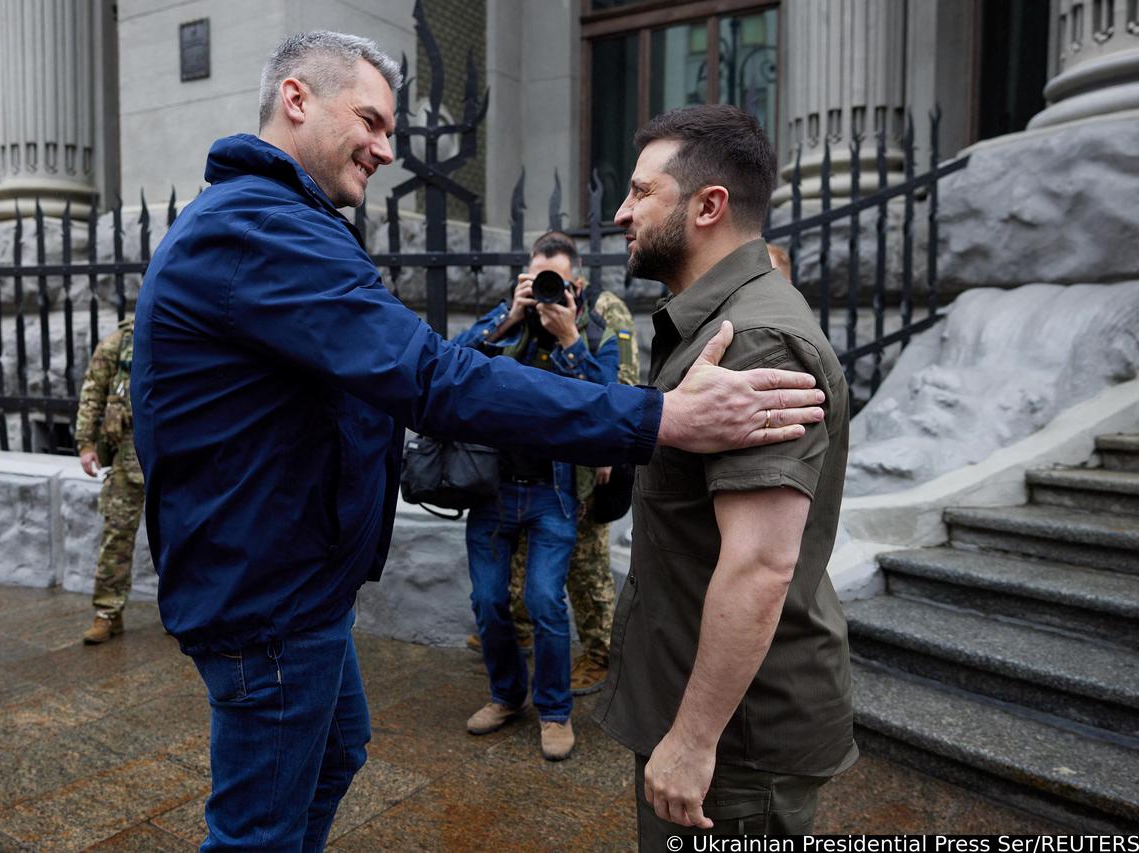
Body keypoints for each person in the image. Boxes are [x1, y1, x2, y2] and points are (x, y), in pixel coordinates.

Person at [131, 31, 826, 852]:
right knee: (258, 830)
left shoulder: (279, 221)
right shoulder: (260, 228)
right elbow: (425, 379)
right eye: (372, 121)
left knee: (333, 755)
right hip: (267, 595)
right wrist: (658, 417)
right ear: (295, 99)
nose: (388, 149)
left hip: (287, 580)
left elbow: (404, 370)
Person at [593, 104, 857, 843]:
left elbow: (762, 565)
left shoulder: (759, 339)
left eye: (641, 192)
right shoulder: (715, 323)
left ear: (709, 205)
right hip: (702, 711)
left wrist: (694, 738)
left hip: (734, 745)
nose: (621, 212)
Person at [453, 230, 630, 760]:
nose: (547, 290)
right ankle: (507, 696)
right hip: (492, 489)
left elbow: (606, 401)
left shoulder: (594, 329)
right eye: (536, 279)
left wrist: (571, 339)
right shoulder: (506, 318)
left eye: (556, 280)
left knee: (544, 602)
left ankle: (554, 712)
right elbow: (448, 367)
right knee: (488, 603)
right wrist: (509, 316)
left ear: (575, 282)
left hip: (553, 493)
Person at [73, 317, 145, 645]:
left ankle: (192, 614)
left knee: (187, 538)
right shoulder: (119, 342)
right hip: (128, 458)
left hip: (176, 460)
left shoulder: (182, 335)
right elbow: (93, 392)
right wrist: (86, 444)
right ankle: (107, 613)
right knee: (116, 536)